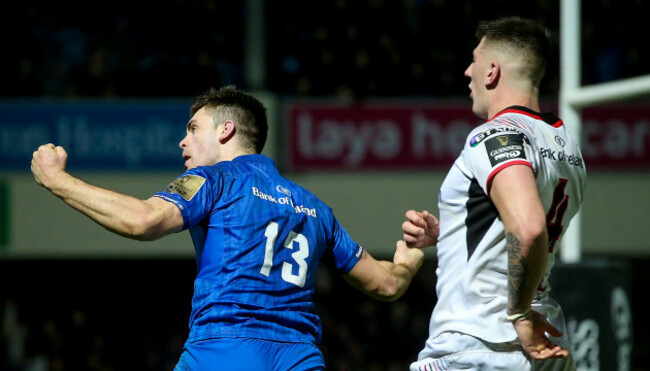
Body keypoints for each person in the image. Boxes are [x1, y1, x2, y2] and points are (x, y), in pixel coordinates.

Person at [31, 86, 427, 370]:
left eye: (192, 128)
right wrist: (409, 258)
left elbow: (142, 220)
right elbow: (386, 285)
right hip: (302, 357)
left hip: (225, 348)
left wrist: (56, 180)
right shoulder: (315, 208)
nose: (182, 143)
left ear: (225, 131)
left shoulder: (214, 180)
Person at [402, 16, 586, 370]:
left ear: (492, 72)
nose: (467, 72)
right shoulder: (567, 148)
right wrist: (453, 232)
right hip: (542, 348)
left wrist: (518, 312)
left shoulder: (494, 135)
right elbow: (524, 222)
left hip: (480, 343)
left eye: (474, 60)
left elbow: (528, 228)